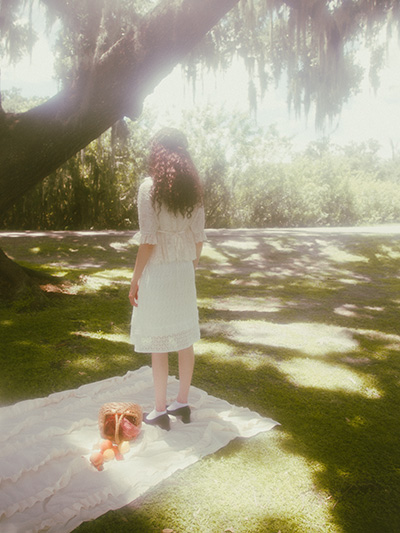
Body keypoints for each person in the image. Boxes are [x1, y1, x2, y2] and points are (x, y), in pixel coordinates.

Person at [129, 127, 205, 431]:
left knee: (159, 342)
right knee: (185, 340)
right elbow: (198, 237)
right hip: (183, 271)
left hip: (158, 272)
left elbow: (148, 240)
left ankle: (159, 410)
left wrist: (135, 279)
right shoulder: (194, 191)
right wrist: (190, 265)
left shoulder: (150, 187)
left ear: (157, 151)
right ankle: (182, 402)